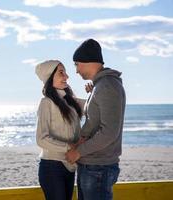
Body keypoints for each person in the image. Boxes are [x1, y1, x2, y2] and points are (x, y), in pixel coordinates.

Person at [65, 39, 126, 200]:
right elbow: (94, 121)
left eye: (77, 64)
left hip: (99, 168)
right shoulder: (100, 86)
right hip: (93, 166)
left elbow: (108, 132)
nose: (76, 70)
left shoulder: (107, 86)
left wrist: (78, 152)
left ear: (88, 62)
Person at [35, 60, 84, 200]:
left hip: (70, 166)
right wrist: (69, 147)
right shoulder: (46, 103)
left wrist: (94, 92)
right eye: (61, 73)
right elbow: (41, 139)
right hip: (52, 167)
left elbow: (92, 106)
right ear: (50, 77)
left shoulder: (71, 101)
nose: (67, 76)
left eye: (65, 72)